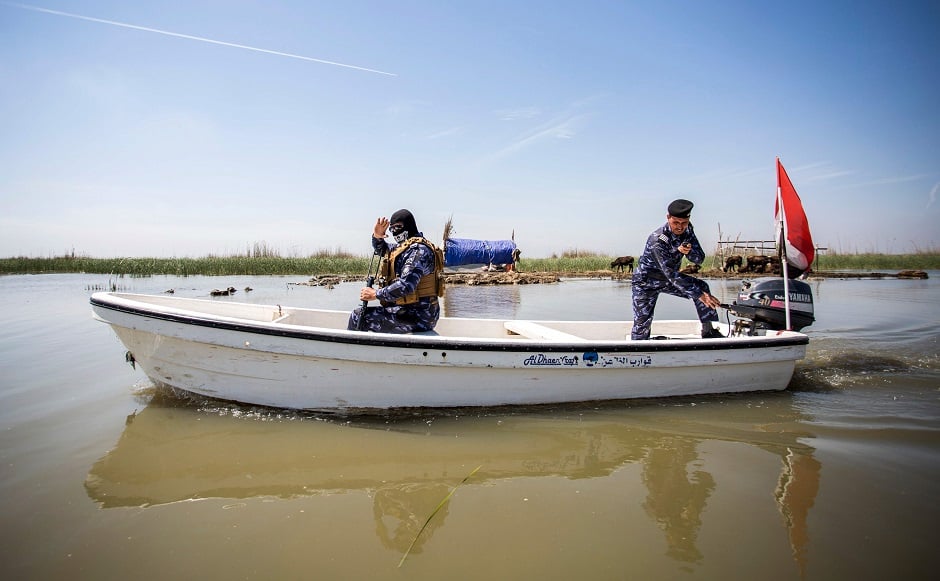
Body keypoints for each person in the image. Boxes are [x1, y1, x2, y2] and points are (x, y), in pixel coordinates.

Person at [631, 199, 723, 340]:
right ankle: (638, 349)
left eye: (683, 223)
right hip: (646, 282)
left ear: (688, 220)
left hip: (667, 280)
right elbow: (671, 273)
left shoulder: (688, 232)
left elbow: (699, 259)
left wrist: (688, 252)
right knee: (642, 323)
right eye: (676, 223)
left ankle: (709, 331)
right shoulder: (657, 239)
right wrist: (698, 294)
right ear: (668, 217)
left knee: (702, 287)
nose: (680, 227)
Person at [347, 209, 444, 333]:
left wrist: (375, 294)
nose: (394, 232)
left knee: (358, 316)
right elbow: (383, 250)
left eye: (398, 227)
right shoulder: (406, 248)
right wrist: (377, 236)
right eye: (391, 229)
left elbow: (406, 285)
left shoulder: (418, 250)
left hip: (419, 317)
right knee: (362, 314)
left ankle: (351, 350)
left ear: (409, 225)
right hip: (409, 312)